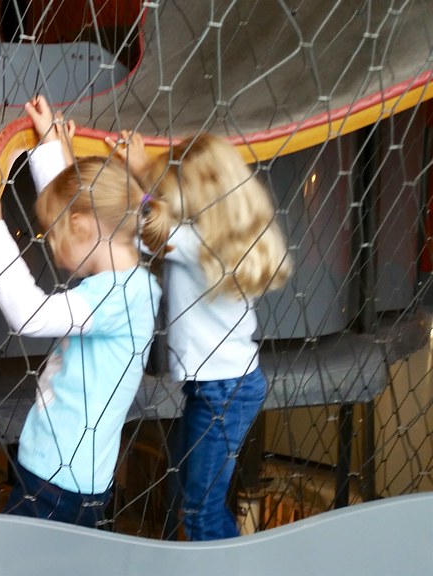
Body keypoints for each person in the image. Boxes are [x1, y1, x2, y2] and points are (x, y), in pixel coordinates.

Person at [0, 95, 160, 528]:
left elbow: (30, 315)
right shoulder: (128, 258)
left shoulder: (117, 294)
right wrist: (48, 145)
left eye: (55, 234)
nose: (52, 245)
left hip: (59, 482)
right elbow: (80, 204)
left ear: (83, 229)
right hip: (65, 473)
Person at [110, 130, 292, 540]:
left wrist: (139, 174)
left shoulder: (199, 242)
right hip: (224, 385)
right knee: (195, 501)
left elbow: (147, 228)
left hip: (222, 390)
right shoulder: (224, 239)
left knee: (199, 510)